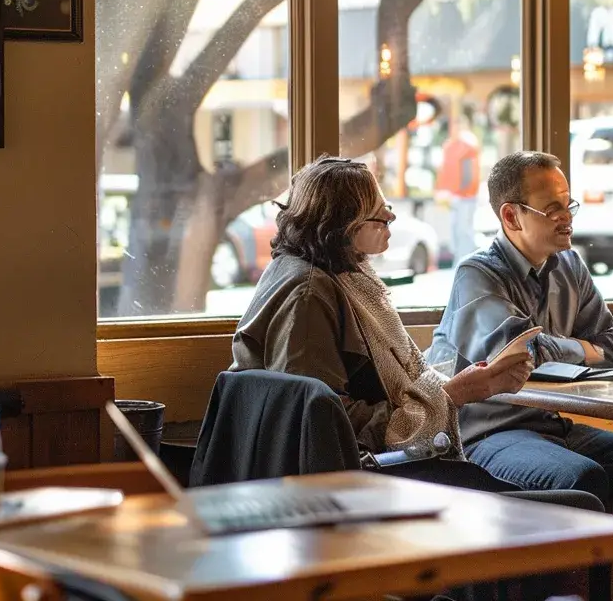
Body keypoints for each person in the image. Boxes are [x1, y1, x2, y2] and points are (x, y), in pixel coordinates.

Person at [229, 157, 593, 501]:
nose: (390, 214)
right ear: (344, 223)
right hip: (363, 484)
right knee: (580, 503)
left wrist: (470, 385)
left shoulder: (343, 276)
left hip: (382, 470)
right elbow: (325, 429)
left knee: (579, 494)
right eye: (378, 212)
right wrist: (454, 394)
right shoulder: (309, 294)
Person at [429, 151, 613, 521]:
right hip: (486, 436)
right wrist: (580, 349)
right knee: (583, 478)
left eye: (568, 205)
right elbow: (523, 353)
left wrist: (556, 347)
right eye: (552, 209)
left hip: (553, 425)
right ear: (510, 216)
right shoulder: (476, 274)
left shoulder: (569, 265)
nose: (566, 218)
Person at [438, 102, 483, 264]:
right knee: (458, 231)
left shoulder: (466, 144)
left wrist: (458, 191)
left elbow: (467, 173)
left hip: (464, 196)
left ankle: (466, 262)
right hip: (457, 195)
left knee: (463, 231)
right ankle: (461, 261)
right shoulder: (454, 145)